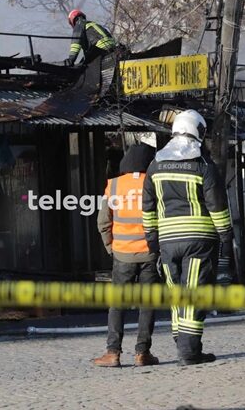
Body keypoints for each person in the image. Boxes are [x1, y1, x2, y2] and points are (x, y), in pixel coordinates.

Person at [141, 109, 233, 366]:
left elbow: (147, 207)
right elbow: (217, 206)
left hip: (167, 242)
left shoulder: (155, 165)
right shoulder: (202, 165)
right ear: (198, 132)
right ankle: (189, 352)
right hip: (199, 242)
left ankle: (185, 345)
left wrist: (153, 243)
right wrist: (226, 237)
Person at [94, 143, 161, 368]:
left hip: (122, 255)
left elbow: (103, 221)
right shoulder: (154, 183)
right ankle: (143, 353)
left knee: (117, 304)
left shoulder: (113, 185)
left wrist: (110, 247)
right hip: (150, 255)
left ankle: (113, 353)